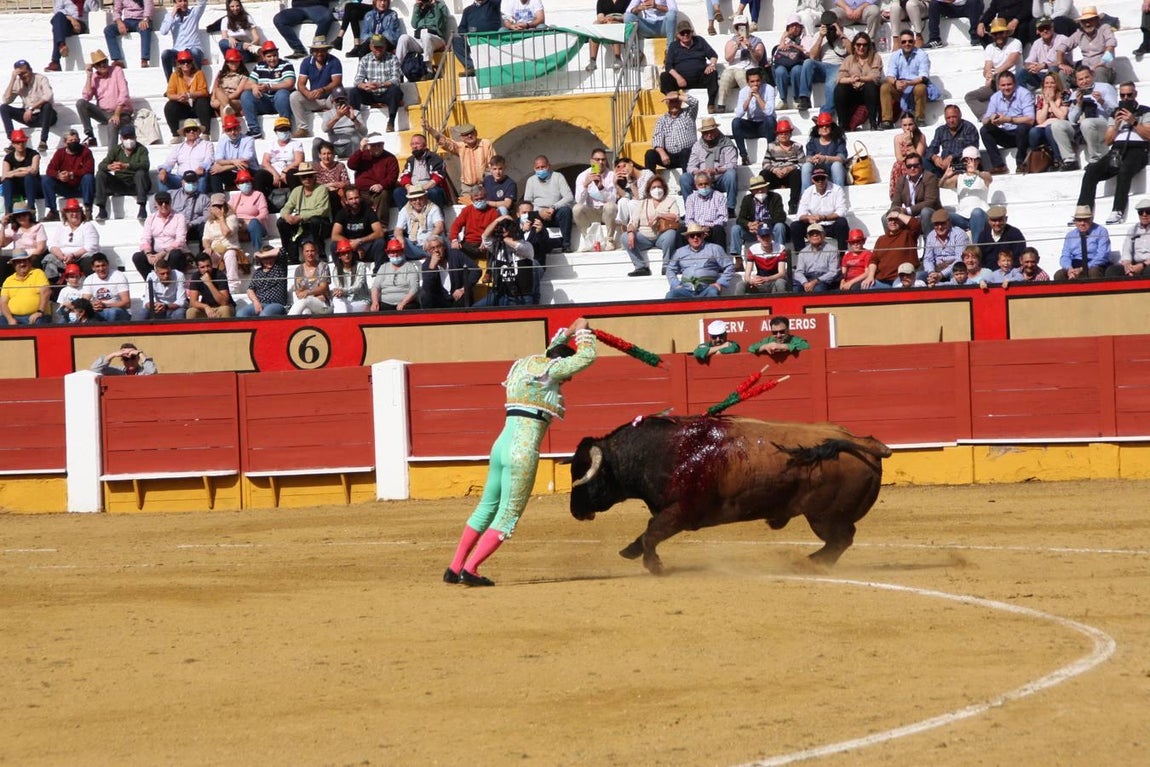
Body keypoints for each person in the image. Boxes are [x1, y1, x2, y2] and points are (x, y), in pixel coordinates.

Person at [444, 317, 597, 587]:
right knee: (508, 514)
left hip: (501, 444)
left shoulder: (526, 364)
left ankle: (455, 567)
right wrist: (584, 334)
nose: (566, 381)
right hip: (522, 451)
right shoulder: (553, 371)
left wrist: (572, 329)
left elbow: (554, 349)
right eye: (566, 379)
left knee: (486, 506)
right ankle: (471, 568)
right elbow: (586, 357)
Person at [1075, 83, 1150, 225]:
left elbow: (1148, 135)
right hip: (1117, 150)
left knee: (1125, 169)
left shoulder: (1145, 111)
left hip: (1138, 150)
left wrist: (1133, 122)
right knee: (1091, 169)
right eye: (1123, 95)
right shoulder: (1115, 112)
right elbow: (1108, 141)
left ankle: (1118, 210)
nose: (1126, 98)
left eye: (1129, 95)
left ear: (1135, 94)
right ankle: (1083, 211)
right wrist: (1116, 125)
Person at [1049, 65, 1116, 171]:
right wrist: (1078, 105)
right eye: (1081, 79)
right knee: (1057, 125)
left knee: (1087, 123)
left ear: (1092, 76)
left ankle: (1095, 159)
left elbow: (1115, 110)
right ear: (1076, 81)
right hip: (1082, 127)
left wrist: (1102, 101)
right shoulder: (1075, 94)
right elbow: (1071, 119)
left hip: (1104, 125)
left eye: (1087, 77)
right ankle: (1069, 160)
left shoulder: (1105, 87)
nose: (1084, 81)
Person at [964, 18, 1024, 119]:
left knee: (1000, 77)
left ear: (1006, 32)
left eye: (1001, 33)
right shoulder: (989, 48)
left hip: (1014, 80)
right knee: (970, 96)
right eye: (995, 34)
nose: (998, 36)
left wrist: (994, 73)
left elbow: (1011, 62)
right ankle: (986, 116)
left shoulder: (1015, 42)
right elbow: (987, 67)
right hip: (996, 82)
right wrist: (988, 75)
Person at [978, 71, 1034, 175]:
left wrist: (1009, 119)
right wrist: (992, 118)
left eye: (1009, 84)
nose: (1006, 88)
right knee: (985, 130)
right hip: (1006, 134)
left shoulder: (1024, 94)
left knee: (1023, 127)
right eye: (1003, 85)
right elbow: (985, 120)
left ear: (1015, 84)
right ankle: (998, 165)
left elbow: (1030, 119)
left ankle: (1021, 163)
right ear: (999, 86)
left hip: (1022, 135)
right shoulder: (995, 97)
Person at [624, 175, 681, 277]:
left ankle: (667, 266)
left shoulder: (670, 201)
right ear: (649, 190)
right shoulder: (642, 203)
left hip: (662, 236)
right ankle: (641, 267)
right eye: (653, 187)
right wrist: (631, 232)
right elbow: (633, 222)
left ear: (664, 188)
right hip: (644, 237)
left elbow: (676, 217)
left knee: (671, 234)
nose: (657, 190)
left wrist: (660, 215)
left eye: (659, 187)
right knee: (624, 237)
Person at [662, 20, 723, 114]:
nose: (685, 34)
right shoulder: (674, 46)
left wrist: (711, 65)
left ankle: (711, 104)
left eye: (688, 32)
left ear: (691, 32)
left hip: (700, 78)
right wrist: (678, 77)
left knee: (713, 72)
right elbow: (668, 65)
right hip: (681, 80)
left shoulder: (699, 40)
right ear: (678, 35)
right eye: (682, 33)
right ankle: (673, 105)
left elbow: (713, 55)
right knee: (665, 76)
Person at [76, 50, 133, 149]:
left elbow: (124, 93)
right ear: (95, 67)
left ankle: (111, 156)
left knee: (112, 124)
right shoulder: (94, 77)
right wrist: (89, 76)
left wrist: (117, 114)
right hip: (104, 113)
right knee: (80, 103)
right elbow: (86, 97)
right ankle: (90, 136)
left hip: (121, 113)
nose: (102, 65)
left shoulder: (117, 70)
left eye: (104, 62)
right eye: (98, 64)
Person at [423, 121, 495, 200]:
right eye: (466, 134)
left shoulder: (485, 144)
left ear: (476, 133)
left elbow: (492, 165)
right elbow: (444, 142)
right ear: (462, 138)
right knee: (466, 209)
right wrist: (430, 130)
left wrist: (488, 184)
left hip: (484, 185)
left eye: (471, 133)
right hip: (468, 187)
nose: (470, 135)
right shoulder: (461, 147)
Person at [879, 29, 935, 128]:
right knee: (885, 87)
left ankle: (920, 118)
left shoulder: (921, 54)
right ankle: (887, 121)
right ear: (900, 43)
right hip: (900, 87)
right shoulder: (895, 55)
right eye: (904, 42)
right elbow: (890, 75)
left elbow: (923, 77)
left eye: (910, 41)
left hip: (915, 86)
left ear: (914, 42)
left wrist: (908, 83)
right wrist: (896, 83)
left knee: (921, 87)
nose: (907, 44)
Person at [289, 35, 343, 139]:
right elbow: (300, 84)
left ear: (327, 50)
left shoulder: (334, 61)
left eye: (322, 50)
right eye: (316, 51)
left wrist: (323, 90)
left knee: (339, 93)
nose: (319, 53)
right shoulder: (306, 62)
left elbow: (336, 82)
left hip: (329, 97)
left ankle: (337, 126)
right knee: (294, 96)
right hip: (314, 98)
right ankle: (303, 128)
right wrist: (307, 94)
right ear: (312, 51)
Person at [277, 162, 332, 262]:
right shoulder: (297, 190)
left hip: (320, 223)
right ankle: (290, 254)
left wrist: (300, 216)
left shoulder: (321, 189)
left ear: (314, 177)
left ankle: (321, 251)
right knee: (281, 222)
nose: (307, 179)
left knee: (315, 220)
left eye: (310, 176)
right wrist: (287, 216)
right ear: (300, 179)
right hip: (302, 223)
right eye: (304, 177)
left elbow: (322, 210)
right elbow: (286, 207)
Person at [95, 125, 151, 223]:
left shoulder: (142, 149)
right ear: (121, 138)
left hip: (136, 184)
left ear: (135, 137)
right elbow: (101, 165)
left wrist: (127, 165)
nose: (129, 140)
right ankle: (102, 209)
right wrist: (109, 167)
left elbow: (145, 165)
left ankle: (142, 207)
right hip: (121, 183)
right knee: (100, 174)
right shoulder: (116, 150)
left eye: (131, 137)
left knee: (140, 173)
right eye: (126, 137)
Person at [681, 117, 739, 212]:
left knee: (731, 174)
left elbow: (732, 164)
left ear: (716, 130)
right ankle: (689, 210)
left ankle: (730, 208)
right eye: (706, 132)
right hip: (702, 180)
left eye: (712, 131)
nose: (709, 135)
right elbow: (690, 166)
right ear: (702, 133)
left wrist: (716, 171)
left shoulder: (727, 143)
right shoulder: (697, 145)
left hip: (719, 179)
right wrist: (699, 172)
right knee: (684, 178)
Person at [665, 223, 735, 299]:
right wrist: (676, 285)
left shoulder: (715, 249)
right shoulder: (679, 252)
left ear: (703, 236)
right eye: (692, 236)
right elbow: (670, 269)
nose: (695, 238)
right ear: (687, 238)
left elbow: (729, 266)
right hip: (686, 289)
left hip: (707, 288)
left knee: (712, 292)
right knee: (670, 295)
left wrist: (720, 283)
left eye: (698, 235)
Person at [243, 41, 297, 139]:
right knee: (246, 95)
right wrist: (254, 87)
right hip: (265, 101)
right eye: (269, 56)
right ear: (263, 57)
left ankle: (286, 126)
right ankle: (254, 130)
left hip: (282, 102)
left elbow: (289, 83)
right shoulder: (259, 66)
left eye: (274, 55)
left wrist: (269, 86)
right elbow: (247, 84)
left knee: (282, 93)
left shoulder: (286, 65)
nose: (272, 59)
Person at [350, 35, 403, 133]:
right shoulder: (365, 59)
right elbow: (357, 80)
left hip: (386, 92)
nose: (378, 50)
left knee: (395, 90)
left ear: (385, 47)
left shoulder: (393, 59)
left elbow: (396, 79)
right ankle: (355, 120)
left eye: (381, 47)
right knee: (354, 92)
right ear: (371, 47)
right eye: (376, 47)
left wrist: (381, 84)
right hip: (370, 94)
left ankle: (391, 121)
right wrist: (365, 86)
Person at [522, 155, 574, 253]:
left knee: (566, 211)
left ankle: (566, 245)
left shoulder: (558, 177)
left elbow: (569, 197)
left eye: (543, 167)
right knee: (528, 215)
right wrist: (540, 211)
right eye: (538, 168)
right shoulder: (531, 181)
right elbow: (527, 203)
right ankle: (534, 246)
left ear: (549, 166)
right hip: (538, 213)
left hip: (555, 211)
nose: (540, 170)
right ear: (534, 168)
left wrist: (554, 207)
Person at [2, 62, 57, 153]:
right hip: (30, 117)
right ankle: (13, 140)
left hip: (46, 116)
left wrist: (31, 108)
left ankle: (43, 141)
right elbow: (6, 100)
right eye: (20, 74)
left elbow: (48, 95)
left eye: (25, 73)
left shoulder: (41, 78)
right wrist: (12, 79)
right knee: (4, 108)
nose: (23, 76)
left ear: (30, 70)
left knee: (46, 106)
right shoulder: (18, 82)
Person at [719, 15, 767, 115]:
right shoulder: (731, 42)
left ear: (747, 26)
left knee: (740, 74)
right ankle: (721, 104)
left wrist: (750, 47)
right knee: (725, 75)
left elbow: (758, 58)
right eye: (737, 27)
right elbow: (728, 58)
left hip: (749, 69)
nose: (740, 29)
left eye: (743, 26)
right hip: (733, 68)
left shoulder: (756, 41)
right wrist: (737, 45)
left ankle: (751, 104)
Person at [43, 130, 96, 221]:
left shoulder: (86, 152)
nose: (73, 142)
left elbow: (89, 169)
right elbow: (50, 170)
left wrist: (72, 174)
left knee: (88, 177)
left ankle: (88, 209)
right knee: (46, 179)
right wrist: (58, 175)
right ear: (65, 142)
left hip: (81, 187)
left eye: (75, 140)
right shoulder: (60, 153)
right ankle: (53, 211)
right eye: (70, 141)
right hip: (65, 187)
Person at [834, 31, 882, 132]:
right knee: (840, 88)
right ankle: (842, 124)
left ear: (869, 46)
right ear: (854, 46)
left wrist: (860, 78)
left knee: (870, 85)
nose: (861, 47)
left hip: (869, 92)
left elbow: (875, 76)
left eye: (864, 45)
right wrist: (851, 79)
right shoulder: (849, 59)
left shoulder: (875, 57)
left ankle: (873, 123)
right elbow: (839, 78)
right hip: (854, 91)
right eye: (858, 44)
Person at [133, 191, 190, 276]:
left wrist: (162, 253)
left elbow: (180, 240)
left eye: (166, 202)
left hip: (172, 253)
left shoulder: (179, 217)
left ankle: (173, 282)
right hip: (155, 254)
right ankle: (152, 283)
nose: (164, 205)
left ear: (171, 202)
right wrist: (148, 254)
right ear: (156, 204)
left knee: (176, 254)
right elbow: (145, 238)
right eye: (160, 202)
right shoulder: (150, 218)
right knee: (137, 257)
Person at [572, 147, 618, 251]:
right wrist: (585, 185)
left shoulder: (611, 175)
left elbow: (613, 200)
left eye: (603, 160)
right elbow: (578, 200)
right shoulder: (583, 176)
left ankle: (610, 240)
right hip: (591, 211)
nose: (600, 162)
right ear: (591, 161)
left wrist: (601, 187)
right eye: (597, 160)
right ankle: (587, 240)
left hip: (606, 213)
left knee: (611, 206)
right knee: (576, 208)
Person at [791, 167, 848, 248]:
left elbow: (842, 211)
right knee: (795, 226)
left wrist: (824, 217)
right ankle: (801, 256)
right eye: (817, 178)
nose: (820, 181)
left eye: (822, 178)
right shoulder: (808, 191)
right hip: (813, 225)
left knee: (842, 223)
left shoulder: (837, 189)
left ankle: (842, 255)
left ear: (827, 178)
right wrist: (808, 217)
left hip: (831, 225)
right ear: (812, 180)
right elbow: (800, 215)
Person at [210, 113, 267, 194]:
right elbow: (219, 160)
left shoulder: (248, 140)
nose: (233, 132)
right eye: (229, 130)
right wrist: (234, 162)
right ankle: (219, 202)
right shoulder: (223, 140)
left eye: (235, 128)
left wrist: (223, 168)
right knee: (214, 172)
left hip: (249, 171)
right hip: (234, 172)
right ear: (225, 131)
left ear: (240, 128)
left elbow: (245, 163)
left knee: (243, 168)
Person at [731, 68, 777, 166]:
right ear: (748, 83)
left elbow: (769, 112)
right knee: (736, 122)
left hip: (766, 125)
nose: (755, 84)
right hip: (751, 125)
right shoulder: (743, 91)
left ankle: (770, 154)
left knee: (770, 120)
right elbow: (738, 114)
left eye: (757, 81)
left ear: (761, 80)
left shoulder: (769, 89)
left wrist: (758, 96)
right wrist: (749, 98)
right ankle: (744, 155)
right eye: (752, 82)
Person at [163, 49, 212, 143]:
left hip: (197, 106)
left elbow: (204, 91)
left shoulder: (199, 74)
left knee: (203, 101)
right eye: (182, 62)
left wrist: (189, 95)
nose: (185, 64)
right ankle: (175, 135)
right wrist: (179, 97)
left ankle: (206, 133)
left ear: (192, 62)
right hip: (183, 106)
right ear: (178, 64)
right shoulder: (175, 75)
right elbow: (170, 93)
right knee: (170, 106)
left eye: (188, 61)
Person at [348, 132, 399, 220]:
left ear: (383, 145)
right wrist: (361, 149)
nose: (376, 148)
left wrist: (381, 185)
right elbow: (351, 165)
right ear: (368, 145)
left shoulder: (390, 158)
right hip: (362, 191)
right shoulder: (362, 155)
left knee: (384, 194)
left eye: (379, 145)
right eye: (373, 145)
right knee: (351, 196)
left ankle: (381, 227)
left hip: (379, 191)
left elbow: (392, 176)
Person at [644, 91, 699, 173]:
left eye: (676, 101)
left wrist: (677, 96)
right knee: (650, 154)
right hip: (669, 157)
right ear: (666, 103)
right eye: (671, 101)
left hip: (688, 155)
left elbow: (695, 102)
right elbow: (657, 139)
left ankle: (687, 180)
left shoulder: (689, 114)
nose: (674, 104)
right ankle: (649, 182)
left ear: (680, 102)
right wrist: (662, 153)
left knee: (685, 152)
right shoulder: (662, 120)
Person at [731, 175, 787, 257]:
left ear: (767, 188)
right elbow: (740, 219)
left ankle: (780, 255)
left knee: (780, 226)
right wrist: (749, 224)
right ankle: (738, 259)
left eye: (762, 188)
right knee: (736, 229)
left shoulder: (775, 197)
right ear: (752, 191)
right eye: (757, 189)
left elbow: (781, 217)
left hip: (770, 230)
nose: (760, 191)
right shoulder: (747, 199)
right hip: (754, 232)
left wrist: (762, 224)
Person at [867, 208, 922, 288]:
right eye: (890, 220)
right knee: (866, 286)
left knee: (897, 288)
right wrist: (870, 276)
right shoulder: (881, 239)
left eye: (896, 219)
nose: (893, 222)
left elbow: (916, 224)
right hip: (882, 280)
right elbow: (873, 260)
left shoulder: (908, 234)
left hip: (902, 278)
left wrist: (898, 214)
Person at [420, 235, 479, 308]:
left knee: (465, 296)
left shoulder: (455, 254)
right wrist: (432, 268)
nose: (436, 250)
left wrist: (463, 289)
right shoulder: (427, 265)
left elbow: (475, 270)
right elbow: (427, 288)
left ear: (444, 247)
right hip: (440, 300)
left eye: (438, 246)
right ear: (428, 251)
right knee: (426, 298)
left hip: (458, 296)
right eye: (432, 248)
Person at [760, 118, 805, 215]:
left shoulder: (797, 146)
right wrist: (774, 170)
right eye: (781, 133)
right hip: (776, 174)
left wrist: (790, 168)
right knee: (763, 174)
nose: (783, 135)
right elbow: (765, 163)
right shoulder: (771, 146)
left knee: (797, 173)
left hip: (790, 175)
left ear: (790, 133)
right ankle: (766, 203)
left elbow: (802, 163)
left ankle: (793, 204)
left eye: (786, 133)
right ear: (777, 135)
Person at [1055, 204, 1110, 280]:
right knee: (1059, 274)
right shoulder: (1070, 235)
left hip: (1095, 264)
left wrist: (1083, 268)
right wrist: (1069, 269)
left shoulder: (1101, 231)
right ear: (1075, 221)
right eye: (1079, 220)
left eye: (1085, 220)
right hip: (1076, 264)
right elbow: (1065, 255)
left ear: (1091, 219)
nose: (1082, 223)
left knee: (1093, 271)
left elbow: (1102, 255)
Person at [773, 15, 816, 110]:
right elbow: (777, 53)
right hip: (784, 63)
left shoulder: (807, 38)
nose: (794, 28)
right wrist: (783, 39)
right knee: (780, 71)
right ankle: (783, 100)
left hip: (799, 63)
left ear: (801, 27)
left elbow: (809, 54)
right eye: (791, 26)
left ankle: (796, 99)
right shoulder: (785, 39)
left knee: (796, 70)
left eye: (797, 26)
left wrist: (796, 46)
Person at [47, 198, 99, 279]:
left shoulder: (87, 226)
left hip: (81, 258)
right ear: (65, 214)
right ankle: (55, 286)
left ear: (81, 213)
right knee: (49, 259)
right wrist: (61, 256)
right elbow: (52, 245)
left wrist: (73, 255)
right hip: (63, 259)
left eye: (77, 211)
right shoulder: (61, 227)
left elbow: (91, 246)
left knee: (88, 261)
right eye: (71, 211)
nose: (74, 214)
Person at [158, 118, 214, 192]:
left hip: (197, 177)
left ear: (198, 131)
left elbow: (209, 159)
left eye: (194, 129)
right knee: (162, 177)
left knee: (203, 177)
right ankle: (163, 201)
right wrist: (163, 170)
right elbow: (169, 162)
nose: (191, 132)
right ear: (185, 134)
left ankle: (200, 202)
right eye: (188, 130)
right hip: (182, 179)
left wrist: (202, 167)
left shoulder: (207, 144)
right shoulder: (178, 147)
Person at [890, 151, 939, 233]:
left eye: (915, 165)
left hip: (928, 216)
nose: (912, 168)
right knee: (886, 217)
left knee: (925, 212)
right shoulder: (901, 180)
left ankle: (928, 242)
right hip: (909, 218)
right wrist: (895, 211)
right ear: (906, 168)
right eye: (909, 166)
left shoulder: (930, 177)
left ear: (921, 165)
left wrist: (907, 210)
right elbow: (895, 203)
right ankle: (893, 243)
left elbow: (930, 202)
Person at [394, 133, 448, 208]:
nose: (414, 146)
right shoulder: (410, 160)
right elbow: (405, 175)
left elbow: (438, 177)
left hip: (429, 188)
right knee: (398, 192)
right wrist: (408, 187)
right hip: (413, 189)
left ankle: (437, 217)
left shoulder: (434, 158)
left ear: (425, 145)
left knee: (434, 192)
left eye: (417, 144)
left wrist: (422, 188)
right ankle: (408, 217)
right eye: (412, 144)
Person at [1028, 72, 1070, 168]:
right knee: (1033, 132)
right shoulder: (1040, 98)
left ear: (1057, 84)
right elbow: (1040, 121)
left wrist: (1051, 101)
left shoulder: (1065, 95)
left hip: (1059, 125)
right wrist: (1046, 103)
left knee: (1049, 129)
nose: (1049, 85)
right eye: (1047, 83)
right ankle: (1041, 160)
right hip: (1044, 125)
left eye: (1052, 83)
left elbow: (1062, 116)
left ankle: (1057, 159)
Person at [924, 103, 979, 177]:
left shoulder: (969, 128)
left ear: (960, 115)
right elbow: (932, 148)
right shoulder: (940, 130)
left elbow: (971, 148)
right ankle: (940, 177)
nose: (951, 120)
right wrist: (935, 157)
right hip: (944, 166)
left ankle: (946, 176)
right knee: (923, 161)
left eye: (954, 117)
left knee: (970, 163)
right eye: (948, 118)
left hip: (962, 165)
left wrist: (952, 157)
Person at [202, 192, 242, 292]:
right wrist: (207, 247)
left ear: (224, 206)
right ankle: (208, 285)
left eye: (220, 206)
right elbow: (206, 239)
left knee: (229, 254)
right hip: (215, 249)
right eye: (215, 206)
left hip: (230, 247)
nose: (217, 208)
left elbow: (226, 233)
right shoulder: (209, 222)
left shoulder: (231, 218)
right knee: (204, 256)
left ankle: (233, 286)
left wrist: (221, 218)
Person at [1066, 6, 1117, 84]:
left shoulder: (1105, 28)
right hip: (1085, 73)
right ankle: (1065, 95)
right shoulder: (1079, 32)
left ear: (1097, 20)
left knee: (1100, 70)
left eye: (1090, 20)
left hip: (1104, 69)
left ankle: (1099, 94)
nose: (1087, 24)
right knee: (1063, 73)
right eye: (1084, 21)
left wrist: (1103, 62)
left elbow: (1111, 44)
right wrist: (1061, 64)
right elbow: (1061, 47)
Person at [47, 0, 102, 72]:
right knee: (58, 18)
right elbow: (56, 11)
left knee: (57, 29)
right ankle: (61, 45)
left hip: (81, 25)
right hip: (66, 22)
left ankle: (55, 61)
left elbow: (95, 11)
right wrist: (71, 19)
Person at [159, 0, 208, 79]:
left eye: (185, 1)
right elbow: (163, 31)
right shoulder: (170, 16)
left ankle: (197, 82)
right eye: (180, 1)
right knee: (165, 54)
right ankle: (170, 84)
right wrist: (173, 14)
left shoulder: (194, 13)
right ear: (175, 3)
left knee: (195, 51)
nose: (183, 3)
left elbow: (202, 3)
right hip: (178, 51)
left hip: (193, 48)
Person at [450, 186, 501, 261]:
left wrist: (487, 242)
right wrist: (454, 240)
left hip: (486, 244)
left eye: (482, 198)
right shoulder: (467, 210)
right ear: (471, 199)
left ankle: (489, 272)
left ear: (486, 197)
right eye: (476, 199)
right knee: (454, 253)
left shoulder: (493, 212)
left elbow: (497, 231)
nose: (479, 201)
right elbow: (456, 225)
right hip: (469, 243)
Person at [393, 185, 444, 262]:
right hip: (413, 245)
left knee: (439, 242)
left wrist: (429, 240)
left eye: (420, 198)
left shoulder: (433, 208)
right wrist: (400, 239)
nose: (417, 202)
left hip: (429, 245)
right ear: (410, 200)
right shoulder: (405, 210)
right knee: (395, 240)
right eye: (414, 199)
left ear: (425, 197)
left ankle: (427, 256)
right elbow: (398, 230)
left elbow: (439, 227)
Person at [453, 0, 503, 76]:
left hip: (491, 38)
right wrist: (467, 34)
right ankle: (471, 66)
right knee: (456, 40)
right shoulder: (468, 10)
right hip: (472, 38)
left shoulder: (493, 4)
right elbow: (461, 28)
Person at [0, 204, 47, 284]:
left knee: (35, 260)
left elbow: (41, 248)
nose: (21, 218)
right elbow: (1, 243)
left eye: (24, 215)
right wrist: (3, 226)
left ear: (29, 215)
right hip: (17, 257)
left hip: (33, 256)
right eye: (18, 216)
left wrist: (27, 257)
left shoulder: (38, 227)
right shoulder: (14, 229)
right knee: (2, 261)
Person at [0, 251, 51, 326]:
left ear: (30, 262)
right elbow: (3, 302)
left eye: (24, 261)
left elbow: (46, 292)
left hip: (36, 315)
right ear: (14, 265)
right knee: (1, 321)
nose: (22, 264)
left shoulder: (38, 273)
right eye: (18, 262)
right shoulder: (9, 280)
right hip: (13, 317)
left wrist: (40, 312)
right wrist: (10, 319)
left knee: (38, 321)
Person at [1020, 16, 1070, 91]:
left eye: (1047, 27)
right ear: (1037, 31)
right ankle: (1022, 98)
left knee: (1053, 69)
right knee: (1022, 72)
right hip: (1041, 75)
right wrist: (1031, 66)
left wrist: (1044, 66)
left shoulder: (1063, 39)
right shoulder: (1037, 43)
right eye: (1041, 29)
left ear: (1052, 27)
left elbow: (1064, 62)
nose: (1045, 31)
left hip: (1057, 74)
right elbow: (1028, 62)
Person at [1, 132, 43, 219]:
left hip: (34, 187)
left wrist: (13, 173)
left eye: (22, 142)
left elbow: (33, 171)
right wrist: (21, 169)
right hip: (18, 188)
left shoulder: (33, 154)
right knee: (6, 181)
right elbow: (4, 175)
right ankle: (8, 212)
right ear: (13, 144)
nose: (20, 145)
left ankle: (31, 208)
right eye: (17, 142)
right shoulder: (8, 157)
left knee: (29, 177)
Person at [683, 171, 729, 250]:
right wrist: (698, 229)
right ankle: (682, 259)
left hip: (712, 229)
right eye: (700, 184)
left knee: (719, 229)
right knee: (681, 230)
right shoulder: (691, 198)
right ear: (696, 186)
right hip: (695, 230)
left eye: (706, 184)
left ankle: (721, 258)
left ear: (710, 183)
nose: (703, 186)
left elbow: (723, 218)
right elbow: (688, 219)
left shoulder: (719, 196)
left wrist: (708, 227)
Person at [237, 246, 289, 316]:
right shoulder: (258, 272)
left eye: (270, 257)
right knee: (240, 314)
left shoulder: (279, 267)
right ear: (261, 260)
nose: (268, 261)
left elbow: (282, 250)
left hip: (276, 304)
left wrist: (261, 255)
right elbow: (250, 290)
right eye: (265, 259)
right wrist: (256, 302)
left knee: (264, 315)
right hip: (259, 303)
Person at [1104, 201, 1150, 278]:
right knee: (1112, 271)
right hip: (1134, 264)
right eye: (1141, 212)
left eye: (1148, 212)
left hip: (1148, 264)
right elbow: (1126, 250)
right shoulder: (1132, 230)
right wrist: (1127, 265)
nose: (1144, 215)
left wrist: (1143, 265)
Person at [802, 112, 847, 190]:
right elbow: (808, 157)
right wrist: (813, 159)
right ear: (817, 128)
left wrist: (825, 158)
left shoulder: (838, 141)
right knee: (806, 166)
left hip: (834, 174)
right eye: (821, 126)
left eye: (827, 126)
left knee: (836, 165)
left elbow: (842, 158)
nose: (824, 128)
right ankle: (806, 196)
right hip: (818, 174)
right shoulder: (813, 141)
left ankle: (839, 195)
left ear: (831, 127)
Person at [261, 117, 306, 195]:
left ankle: (296, 201)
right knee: (260, 175)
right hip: (274, 174)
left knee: (292, 174)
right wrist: (275, 174)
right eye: (280, 130)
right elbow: (265, 162)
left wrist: (285, 171)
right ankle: (262, 203)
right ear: (276, 131)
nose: (283, 132)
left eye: (285, 129)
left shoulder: (296, 144)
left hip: (289, 173)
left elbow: (299, 161)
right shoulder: (271, 144)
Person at [82, 252, 132, 322]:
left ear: (108, 264)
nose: (101, 269)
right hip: (99, 311)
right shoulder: (89, 279)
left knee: (111, 312)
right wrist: (92, 305)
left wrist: (105, 305)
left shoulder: (119, 276)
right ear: (93, 268)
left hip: (120, 312)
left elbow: (127, 303)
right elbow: (84, 302)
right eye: (97, 266)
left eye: (103, 265)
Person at [922, 207, 969, 281]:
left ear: (949, 222)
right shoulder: (931, 236)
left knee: (955, 278)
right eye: (936, 224)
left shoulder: (959, 234)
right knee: (918, 276)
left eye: (943, 223)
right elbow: (928, 259)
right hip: (936, 270)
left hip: (955, 270)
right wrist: (932, 273)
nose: (940, 227)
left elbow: (960, 259)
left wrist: (942, 274)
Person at [371, 239, 420, 309]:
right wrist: (375, 302)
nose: (395, 254)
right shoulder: (383, 267)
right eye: (392, 252)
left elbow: (414, 288)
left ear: (402, 252)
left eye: (397, 251)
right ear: (388, 254)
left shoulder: (410, 267)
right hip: (385, 303)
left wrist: (403, 303)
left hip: (406, 303)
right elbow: (375, 287)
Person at [105, 0, 155, 69]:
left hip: (141, 19)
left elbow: (148, 5)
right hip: (127, 21)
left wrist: (145, 19)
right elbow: (116, 9)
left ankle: (144, 59)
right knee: (108, 30)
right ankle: (117, 60)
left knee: (145, 28)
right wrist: (119, 23)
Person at [230, 168, 271, 250]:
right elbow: (227, 212)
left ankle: (257, 252)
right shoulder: (235, 197)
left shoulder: (258, 195)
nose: (245, 184)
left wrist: (249, 222)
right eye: (242, 182)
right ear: (238, 185)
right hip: (239, 227)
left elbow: (264, 214)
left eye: (247, 181)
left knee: (254, 223)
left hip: (257, 227)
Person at [740, 227, 790, 294]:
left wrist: (767, 278)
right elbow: (746, 276)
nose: (766, 239)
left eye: (768, 236)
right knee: (740, 285)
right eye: (763, 237)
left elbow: (782, 273)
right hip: (760, 283)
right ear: (758, 238)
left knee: (780, 282)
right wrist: (752, 281)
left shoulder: (780, 248)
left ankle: (782, 304)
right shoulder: (753, 249)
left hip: (775, 281)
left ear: (771, 237)